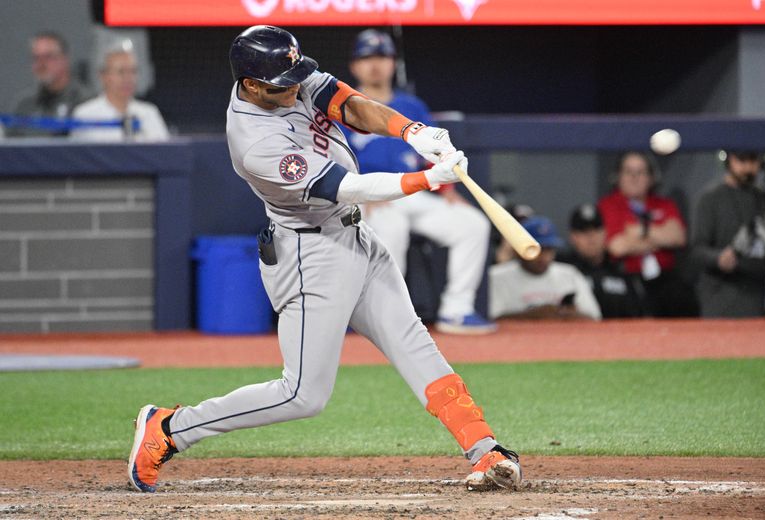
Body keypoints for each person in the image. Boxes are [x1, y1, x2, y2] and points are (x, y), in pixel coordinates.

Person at [127, 25, 520, 494]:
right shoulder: (255, 141)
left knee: (413, 342)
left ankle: (484, 448)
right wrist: (424, 180)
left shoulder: (282, 74)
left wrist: (411, 131)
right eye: (283, 84)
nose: (296, 87)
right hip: (310, 253)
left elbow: (350, 103)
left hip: (354, 233)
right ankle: (169, 430)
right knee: (301, 394)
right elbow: (344, 186)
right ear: (251, 85)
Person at [340, 29, 495, 335]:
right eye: (367, 57)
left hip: (414, 191)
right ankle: (389, 319)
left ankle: (457, 310)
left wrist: (448, 189)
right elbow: (335, 160)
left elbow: (434, 151)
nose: (375, 65)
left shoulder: (411, 106)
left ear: (392, 63)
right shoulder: (345, 105)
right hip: (371, 196)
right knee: (391, 229)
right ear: (355, 66)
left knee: (472, 224)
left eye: (382, 57)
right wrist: (362, 193)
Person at [597, 151, 697, 317]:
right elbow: (617, 247)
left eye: (640, 172)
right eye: (628, 172)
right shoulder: (608, 205)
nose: (634, 178)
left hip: (664, 280)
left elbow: (677, 237)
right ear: (618, 177)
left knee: (682, 295)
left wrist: (641, 231)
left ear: (651, 178)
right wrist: (658, 236)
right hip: (626, 277)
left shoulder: (664, 204)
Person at [692, 151, 765, 317]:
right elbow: (697, 250)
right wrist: (719, 258)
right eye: (741, 160)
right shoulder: (710, 199)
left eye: (753, 160)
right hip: (721, 294)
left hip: (760, 294)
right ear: (728, 160)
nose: (748, 167)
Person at [489, 216, 601, 320]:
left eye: (549, 249)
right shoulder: (497, 276)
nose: (544, 256)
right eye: (538, 249)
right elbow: (490, 321)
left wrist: (566, 314)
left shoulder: (570, 274)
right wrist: (534, 315)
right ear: (519, 248)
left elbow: (594, 318)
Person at [560, 204, 647, 318]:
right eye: (583, 231)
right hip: (576, 334)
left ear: (605, 232)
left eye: (596, 229)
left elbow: (638, 314)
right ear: (573, 237)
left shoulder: (621, 268)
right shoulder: (563, 270)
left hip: (620, 334)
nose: (591, 237)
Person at [70, 42, 169, 141]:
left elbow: (164, 152)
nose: (128, 78)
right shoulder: (85, 114)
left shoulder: (149, 113)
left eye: (133, 71)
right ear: (103, 76)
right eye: (121, 72)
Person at [7, 31, 90, 137]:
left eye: (48, 57)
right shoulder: (24, 105)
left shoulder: (85, 102)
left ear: (65, 59)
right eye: (36, 58)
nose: (41, 64)